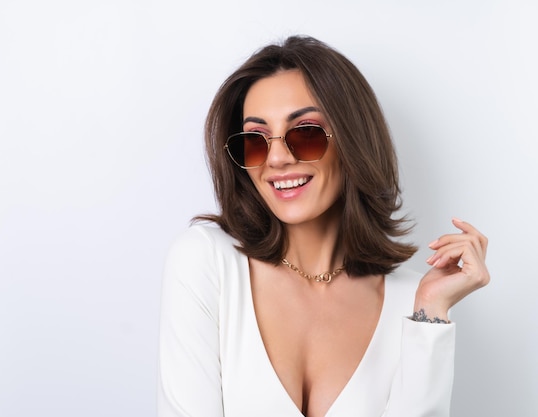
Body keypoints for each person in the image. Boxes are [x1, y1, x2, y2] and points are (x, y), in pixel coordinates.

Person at [157, 35, 489, 417]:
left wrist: (431, 311)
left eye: (306, 132)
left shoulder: (412, 299)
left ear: (352, 141)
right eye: (256, 139)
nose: (277, 158)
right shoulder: (205, 262)